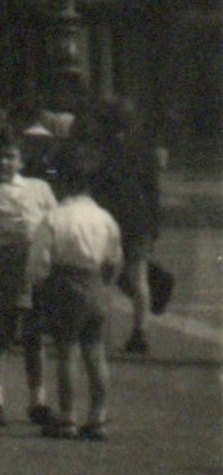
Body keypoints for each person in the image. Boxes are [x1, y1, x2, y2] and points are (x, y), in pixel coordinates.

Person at [29, 145, 125, 440]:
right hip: (96, 283)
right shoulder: (105, 218)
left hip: (65, 285)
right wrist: (106, 284)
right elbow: (114, 259)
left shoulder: (54, 218)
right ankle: (97, 416)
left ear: (62, 184)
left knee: (66, 352)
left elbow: (39, 263)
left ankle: (67, 416)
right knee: (95, 353)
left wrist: (38, 286)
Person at [0, 131, 57, 427]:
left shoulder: (40, 188)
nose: (5, 163)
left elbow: (57, 227)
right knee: (2, 337)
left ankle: (38, 400)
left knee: (35, 339)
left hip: (39, 271)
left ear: (21, 160)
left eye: (11, 156)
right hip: (7, 271)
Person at [88, 99, 162, 356]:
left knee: (105, 275)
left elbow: (96, 186)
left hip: (108, 220)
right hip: (138, 220)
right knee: (138, 277)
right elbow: (153, 190)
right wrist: (154, 225)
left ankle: (99, 332)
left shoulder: (101, 150)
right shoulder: (144, 149)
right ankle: (140, 330)